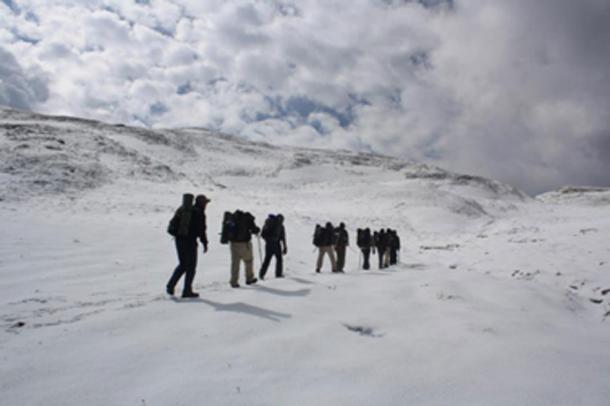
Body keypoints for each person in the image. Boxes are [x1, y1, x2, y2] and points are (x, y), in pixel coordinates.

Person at [166, 193, 209, 298]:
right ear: (202, 203)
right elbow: (201, 230)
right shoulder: (199, 213)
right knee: (191, 267)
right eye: (206, 202)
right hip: (190, 242)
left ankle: (170, 285)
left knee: (182, 264)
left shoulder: (183, 209)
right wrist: (205, 243)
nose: (206, 205)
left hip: (179, 240)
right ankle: (187, 291)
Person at [229, 210, 260, 288]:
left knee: (235, 263)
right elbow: (254, 229)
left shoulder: (232, 218)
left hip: (233, 244)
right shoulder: (247, 218)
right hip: (244, 243)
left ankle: (234, 281)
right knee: (248, 260)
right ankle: (249, 278)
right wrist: (257, 230)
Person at [259, 214, 287, 280]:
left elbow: (263, 234)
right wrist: (285, 247)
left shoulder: (269, 223)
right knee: (279, 259)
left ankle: (261, 274)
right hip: (276, 244)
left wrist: (267, 240)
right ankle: (278, 274)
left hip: (268, 244)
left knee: (267, 260)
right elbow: (283, 237)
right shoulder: (281, 226)